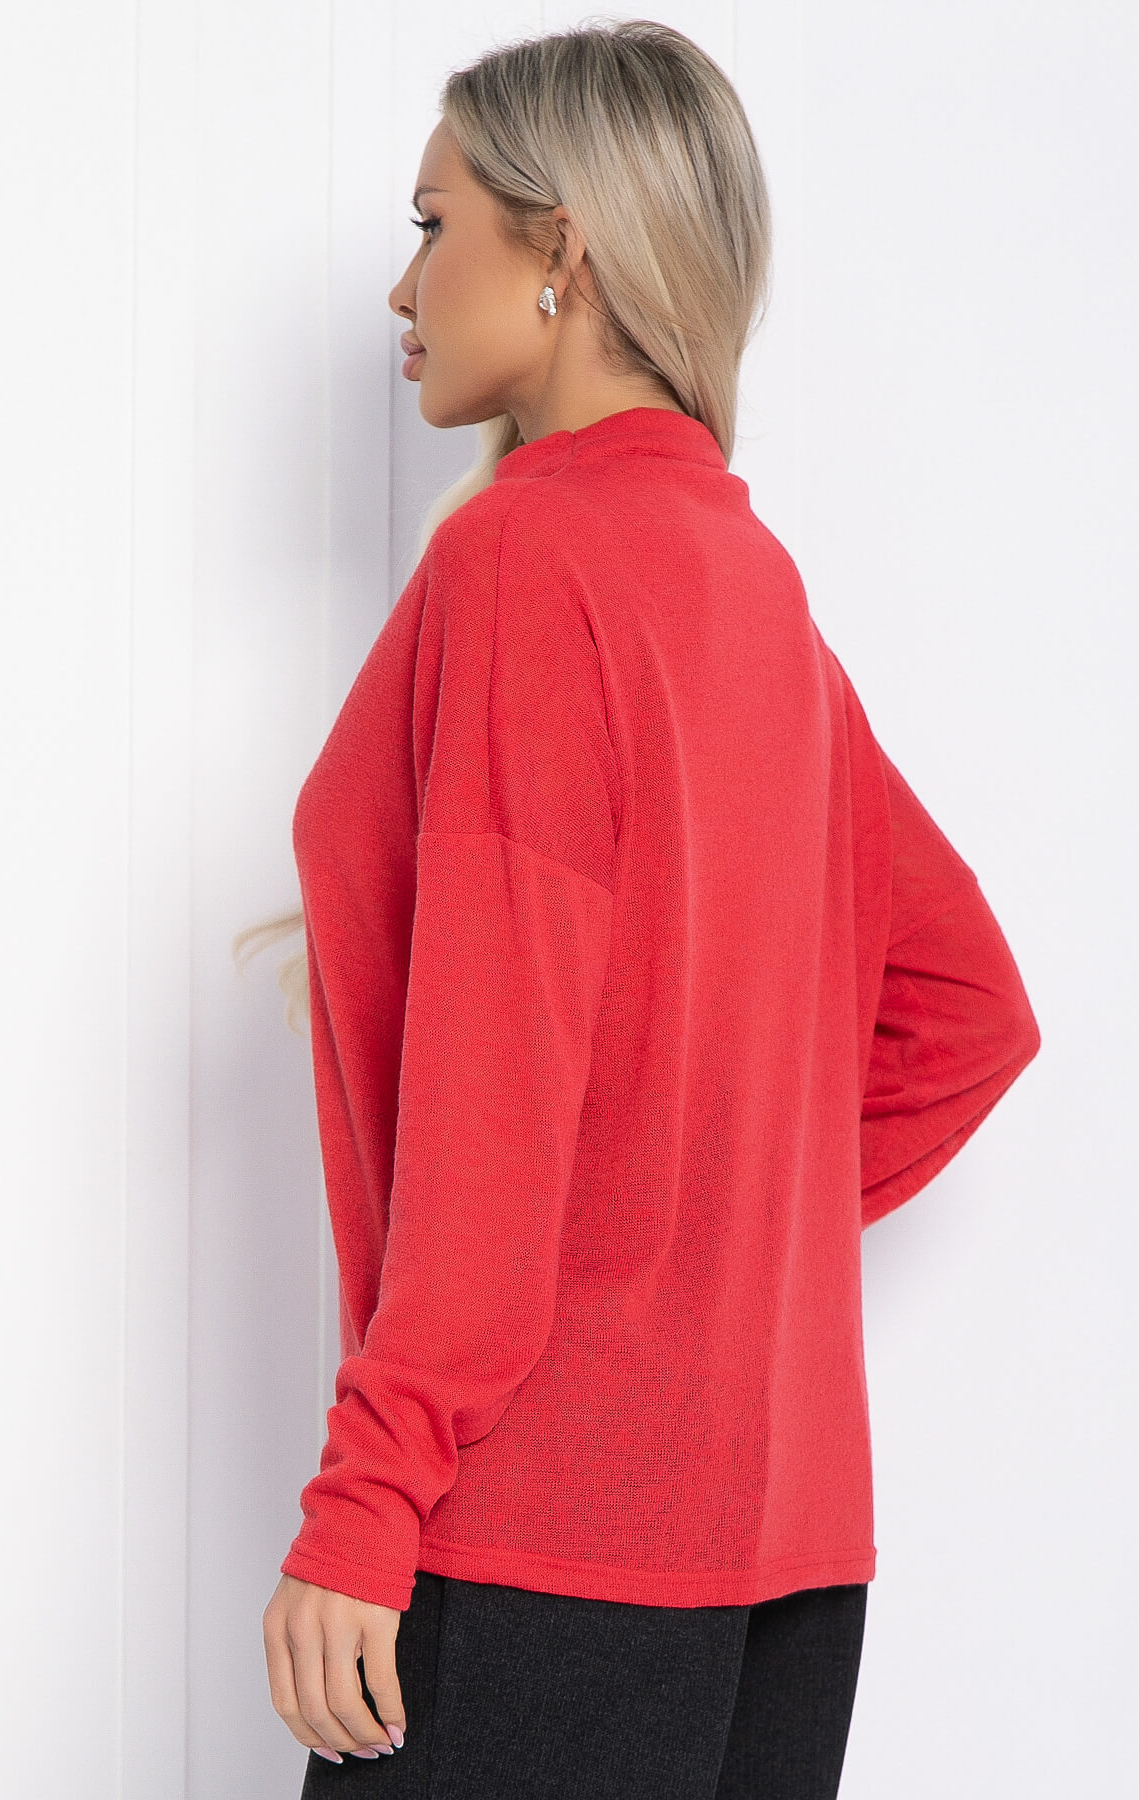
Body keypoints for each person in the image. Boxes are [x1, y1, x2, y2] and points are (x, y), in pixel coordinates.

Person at [252, 20, 1041, 1797]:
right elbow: (967, 1009)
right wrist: (684, 1239)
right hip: (783, 1565)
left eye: (433, 223)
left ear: (563, 251)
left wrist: (370, 1489)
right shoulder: (752, 588)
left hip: (539, 1552)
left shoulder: (527, 557)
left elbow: (497, 1086)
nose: (404, 284)